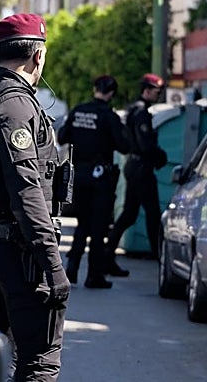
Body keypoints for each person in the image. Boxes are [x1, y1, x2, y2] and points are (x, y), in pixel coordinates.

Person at [0, 13, 70, 382]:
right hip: (20, 253)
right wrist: (52, 262)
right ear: (38, 56)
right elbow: (26, 188)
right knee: (39, 362)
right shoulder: (16, 106)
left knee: (1, 358)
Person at [57, 75, 131, 288]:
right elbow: (124, 146)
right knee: (98, 228)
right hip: (100, 178)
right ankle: (94, 275)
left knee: (83, 223)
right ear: (112, 93)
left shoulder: (78, 111)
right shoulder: (109, 117)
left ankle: (71, 269)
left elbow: (62, 137)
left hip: (79, 175)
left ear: (94, 89)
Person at [106, 73, 169, 267]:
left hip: (134, 166)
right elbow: (146, 145)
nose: (158, 96)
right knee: (152, 213)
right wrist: (160, 156)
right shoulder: (141, 112)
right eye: (156, 92)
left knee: (129, 214)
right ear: (146, 90)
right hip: (141, 168)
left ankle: (107, 254)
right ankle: (159, 257)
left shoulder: (135, 110)